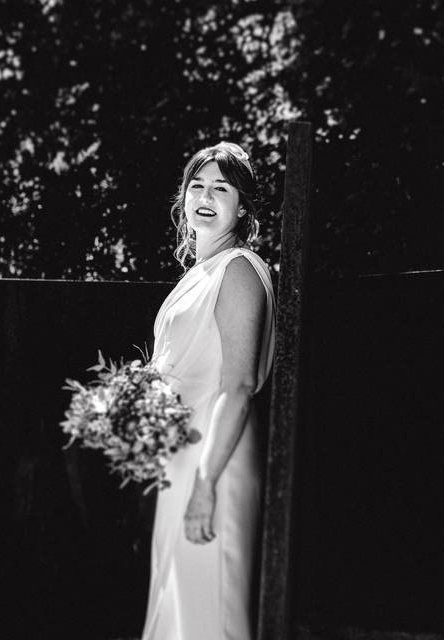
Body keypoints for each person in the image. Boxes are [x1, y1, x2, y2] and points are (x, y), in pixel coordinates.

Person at [141, 142, 276, 640]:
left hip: (213, 465)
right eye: (197, 185)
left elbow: (238, 384)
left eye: (222, 188)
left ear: (242, 207)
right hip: (181, 466)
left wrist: (205, 484)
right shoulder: (197, 275)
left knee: (207, 618)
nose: (206, 195)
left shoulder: (238, 269)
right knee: (177, 614)